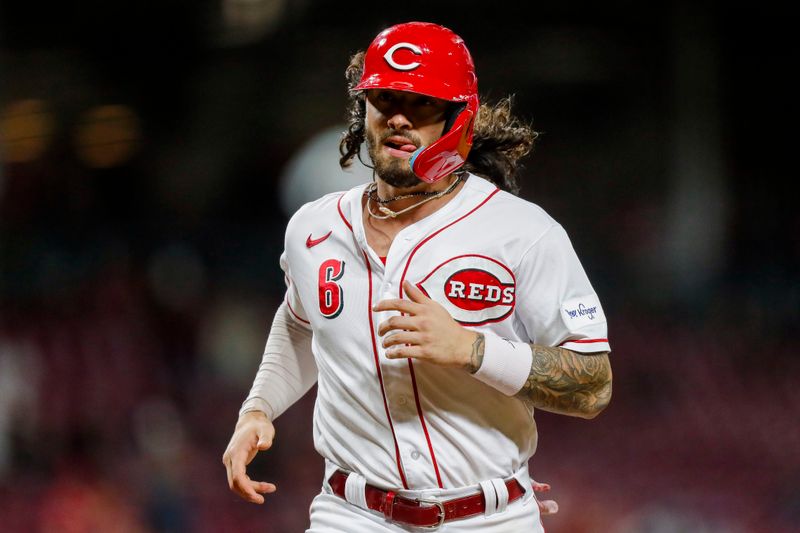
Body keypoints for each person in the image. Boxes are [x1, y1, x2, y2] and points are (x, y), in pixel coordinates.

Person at [222, 21, 612, 532]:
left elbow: (593, 386)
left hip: (487, 517)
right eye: (384, 99)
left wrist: (473, 350)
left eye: (423, 103)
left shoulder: (523, 232)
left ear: (458, 118)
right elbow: (300, 321)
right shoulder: (313, 227)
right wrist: (258, 407)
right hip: (351, 513)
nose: (399, 118)